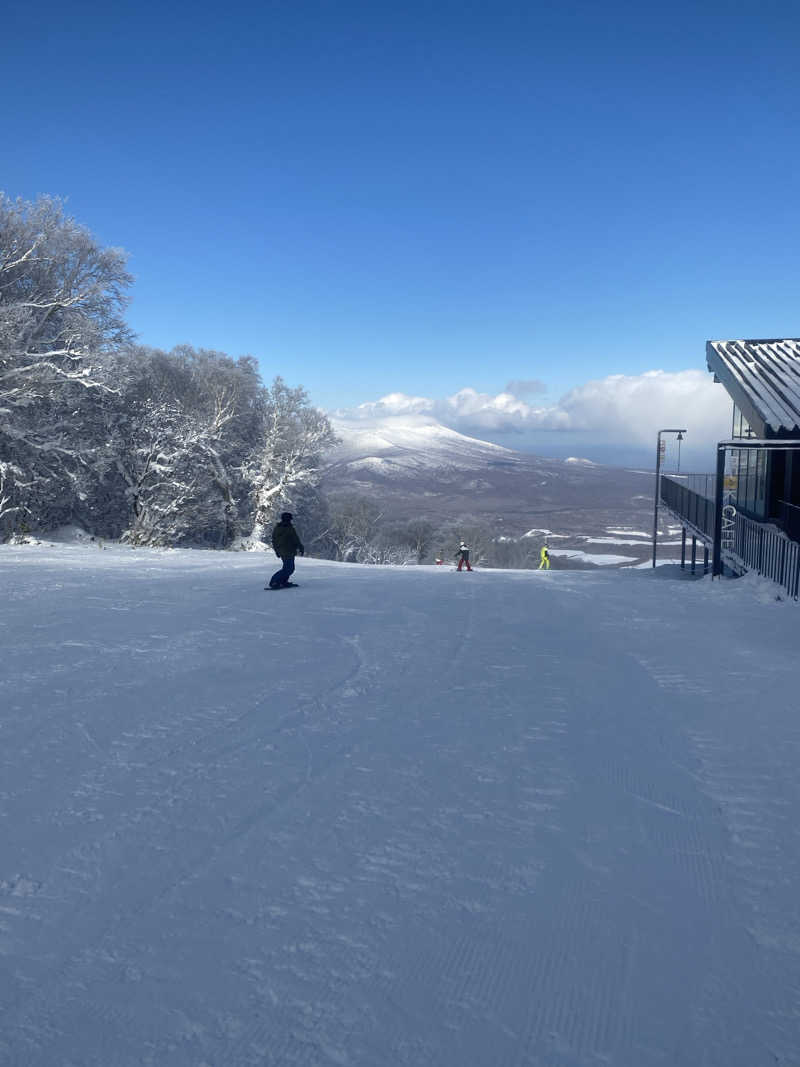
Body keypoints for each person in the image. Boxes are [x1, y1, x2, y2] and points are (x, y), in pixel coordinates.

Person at [269, 512, 304, 588]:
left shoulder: (278, 528)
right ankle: (274, 581)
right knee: (289, 568)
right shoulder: (289, 528)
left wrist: (277, 551)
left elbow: (274, 540)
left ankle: (283, 581)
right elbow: (296, 539)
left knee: (288, 568)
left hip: (284, 551)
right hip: (288, 551)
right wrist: (301, 547)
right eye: (290, 519)